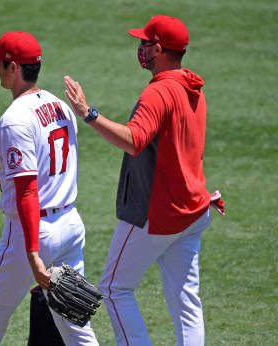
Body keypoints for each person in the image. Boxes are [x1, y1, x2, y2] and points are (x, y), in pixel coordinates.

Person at [64, 15, 224, 346]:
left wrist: (88, 113)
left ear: (160, 49)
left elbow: (134, 140)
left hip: (158, 212)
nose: (141, 49)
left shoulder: (159, 92)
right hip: (193, 209)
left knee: (113, 287)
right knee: (186, 303)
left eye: (146, 43)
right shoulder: (193, 87)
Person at [0, 31, 99, 345]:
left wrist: (33, 254)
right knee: (76, 331)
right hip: (70, 225)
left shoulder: (14, 120)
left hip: (34, 232)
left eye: (0, 62)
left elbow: (27, 189)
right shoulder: (61, 106)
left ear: (14, 69)